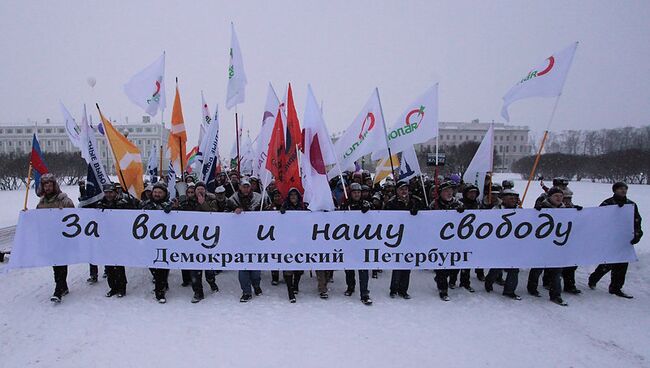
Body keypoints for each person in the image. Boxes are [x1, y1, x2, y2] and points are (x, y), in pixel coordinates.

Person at [588, 182, 643, 298]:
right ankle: (594, 277)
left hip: (624, 240)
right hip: (610, 239)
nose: (623, 191)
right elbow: (598, 218)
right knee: (609, 263)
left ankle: (616, 287)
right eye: (620, 189)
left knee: (622, 264)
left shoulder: (631, 204)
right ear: (615, 190)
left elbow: (637, 220)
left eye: (625, 189)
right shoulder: (607, 203)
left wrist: (637, 234)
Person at [38, 174, 75, 303]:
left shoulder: (63, 199)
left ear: (54, 185)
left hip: (62, 238)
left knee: (61, 263)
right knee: (55, 264)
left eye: (50, 184)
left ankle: (58, 290)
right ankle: (62, 286)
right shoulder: (42, 202)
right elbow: (38, 219)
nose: (47, 187)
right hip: (50, 239)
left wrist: (64, 210)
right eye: (45, 185)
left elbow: (73, 213)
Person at [527, 186, 568, 306]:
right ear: (550, 197)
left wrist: (576, 212)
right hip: (542, 245)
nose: (559, 198)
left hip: (557, 246)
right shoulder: (541, 208)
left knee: (556, 271)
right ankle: (532, 288)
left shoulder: (566, 209)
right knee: (537, 269)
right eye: (556, 196)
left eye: (561, 196)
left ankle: (556, 295)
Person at [228, 178, 264, 302]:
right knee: (243, 267)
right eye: (244, 186)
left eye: (248, 186)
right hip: (240, 240)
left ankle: (256, 285)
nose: (246, 189)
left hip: (255, 238)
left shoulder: (259, 198)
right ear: (240, 187)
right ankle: (246, 291)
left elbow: (267, 212)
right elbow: (224, 214)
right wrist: (233, 212)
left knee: (255, 268)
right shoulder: (232, 200)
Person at [387, 180, 424, 299]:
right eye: (401, 189)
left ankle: (403, 289)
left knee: (407, 264)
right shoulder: (391, 203)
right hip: (396, 238)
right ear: (397, 191)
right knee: (397, 264)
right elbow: (385, 217)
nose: (404, 191)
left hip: (411, 237)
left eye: (406, 189)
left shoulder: (415, 201)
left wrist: (417, 212)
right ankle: (393, 289)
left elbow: (427, 212)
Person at [430, 181, 465, 301]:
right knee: (442, 265)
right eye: (446, 191)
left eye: (451, 191)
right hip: (439, 241)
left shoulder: (458, 204)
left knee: (453, 265)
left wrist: (462, 212)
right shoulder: (434, 204)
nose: (449, 193)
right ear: (440, 193)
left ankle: (445, 278)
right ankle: (443, 289)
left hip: (455, 240)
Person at [484, 189, 521, 300]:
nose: (513, 200)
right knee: (497, 266)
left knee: (514, 268)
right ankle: (489, 281)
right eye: (510, 198)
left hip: (514, 244)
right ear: (503, 199)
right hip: (500, 244)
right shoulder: (496, 210)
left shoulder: (520, 210)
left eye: (515, 198)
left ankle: (509, 290)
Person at [340, 183, 373, 305]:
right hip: (349, 241)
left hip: (363, 241)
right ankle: (350, 287)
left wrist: (368, 210)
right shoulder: (346, 205)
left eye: (359, 192)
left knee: (363, 268)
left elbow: (375, 217)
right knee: (349, 267)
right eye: (354, 192)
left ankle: (364, 293)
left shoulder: (365, 204)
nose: (357, 194)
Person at [140, 182, 173, 303]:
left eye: (160, 192)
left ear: (164, 193)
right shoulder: (145, 204)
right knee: (151, 263)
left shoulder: (170, 204)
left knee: (162, 266)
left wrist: (173, 210)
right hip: (149, 240)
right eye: (155, 192)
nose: (157, 194)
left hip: (165, 241)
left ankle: (160, 291)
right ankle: (161, 282)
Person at [96, 183, 130, 298]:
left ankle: (122, 287)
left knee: (119, 264)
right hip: (106, 239)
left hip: (119, 239)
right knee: (109, 265)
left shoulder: (123, 203)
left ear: (115, 192)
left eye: (111, 192)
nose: (109, 195)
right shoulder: (100, 204)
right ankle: (113, 287)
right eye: (106, 192)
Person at [279, 188, 308, 303]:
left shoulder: (303, 207)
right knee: (288, 267)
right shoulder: (284, 206)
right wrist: (280, 214)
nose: (293, 196)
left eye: (295, 194)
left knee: (298, 266)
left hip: (300, 241)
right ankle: (290, 291)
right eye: (291, 194)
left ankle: (295, 285)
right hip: (287, 241)